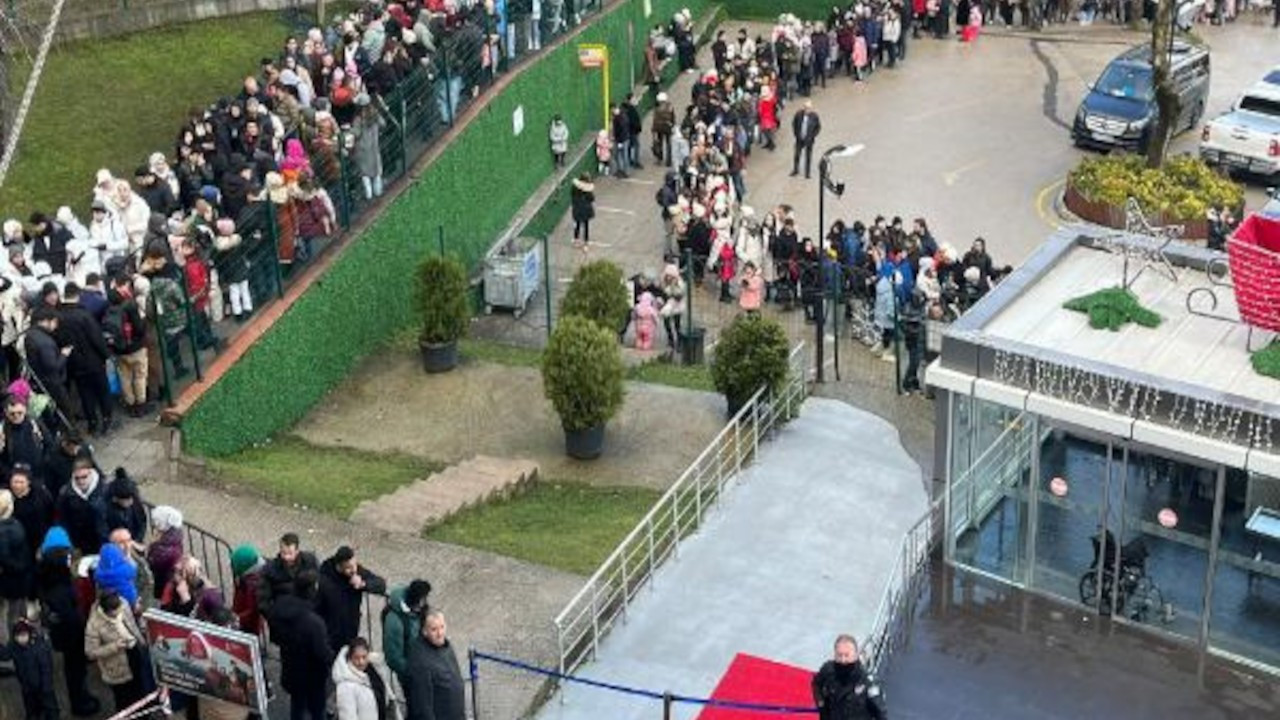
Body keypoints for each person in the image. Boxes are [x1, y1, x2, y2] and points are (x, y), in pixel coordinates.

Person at [268, 571, 333, 720]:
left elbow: (275, 636)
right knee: (318, 710)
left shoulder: (279, 607)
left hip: (290, 667)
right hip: (313, 675)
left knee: (297, 705)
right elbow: (322, 653)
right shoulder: (313, 623)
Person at [58, 283, 115, 435]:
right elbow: (96, 338)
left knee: (85, 394)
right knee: (102, 391)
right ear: (78, 296)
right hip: (93, 362)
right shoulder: (84, 315)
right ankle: (106, 419)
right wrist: (106, 355)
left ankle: (92, 423)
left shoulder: (59, 317)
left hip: (74, 364)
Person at [84, 590, 151, 712]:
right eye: (116, 613)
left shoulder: (123, 603)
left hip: (134, 654)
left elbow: (132, 625)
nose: (121, 612)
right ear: (107, 612)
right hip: (117, 669)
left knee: (140, 690)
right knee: (123, 700)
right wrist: (114, 647)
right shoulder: (94, 625)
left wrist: (142, 641)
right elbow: (90, 653)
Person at [316, 545, 387, 653]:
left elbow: (380, 584)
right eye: (349, 567)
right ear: (339, 566)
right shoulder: (324, 578)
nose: (354, 569)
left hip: (350, 628)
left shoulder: (356, 572)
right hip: (330, 631)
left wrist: (364, 584)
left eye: (355, 564)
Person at [404, 610, 465, 720]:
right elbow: (423, 705)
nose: (440, 633)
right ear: (424, 631)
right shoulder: (420, 661)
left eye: (442, 627)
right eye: (434, 629)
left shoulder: (447, 647)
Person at [811, 635, 887, 720]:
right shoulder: (828, 670)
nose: (843, 660)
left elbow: (881, 713)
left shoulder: (867, 681)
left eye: (847, 655)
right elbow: (816, 684)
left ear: (855, 655)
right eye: (839, 655)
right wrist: (821, 703)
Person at [23, 307, 74, 425]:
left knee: (53, 412)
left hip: (42, 381)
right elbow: (53, 366)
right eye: (55, 322)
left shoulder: (30, 335)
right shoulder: (44, 342)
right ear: (45, 321)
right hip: (53, 382)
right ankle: (72, 437)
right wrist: (63, 355)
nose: (56, 326)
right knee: (65, 412)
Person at [0, 618, 59, 720]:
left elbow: (46, 669)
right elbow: (5, 655)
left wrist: (47, 687)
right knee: (31, 709)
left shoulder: (39, 647)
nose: (21, 639)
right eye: (18, 636)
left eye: (23, 635)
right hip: (27, 686)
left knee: (50, 709)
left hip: (42, 687)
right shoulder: (14, 647)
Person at [383, 579, 432, 691]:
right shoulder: (394, 621)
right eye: (423, 599)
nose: (425, 602)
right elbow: (394, 657)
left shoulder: (419, 610)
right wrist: (413, 672)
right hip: (411, 674)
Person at [55, 457, 108, 556]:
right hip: (80, 543)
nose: (80, 481)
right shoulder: (66, 494)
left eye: (84, 477)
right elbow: (61, 519)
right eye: (77, 478)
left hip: (102, 540)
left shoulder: (105, 489)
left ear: (91, 473)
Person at [259, 532, 319, 615]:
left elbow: (319, 578)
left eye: (290, 553)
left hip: (307, 611)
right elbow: (263, 599)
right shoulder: (270, 570)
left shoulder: (309, 562)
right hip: (283, 614)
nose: (287, 557)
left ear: (297, 551)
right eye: (283, 553)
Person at [0, 490, 32, 643]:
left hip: (17, 576)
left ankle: (24, 631)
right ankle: (17, 640)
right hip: (13, 577)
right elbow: (4, 557)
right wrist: (20, 567)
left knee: (19, 608)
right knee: (14, 611)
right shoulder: (4, 529)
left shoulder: (10, 523)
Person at [333, 637, 392, 720]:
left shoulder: (375, 672)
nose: (361, 662)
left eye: (364, 657)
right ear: (350, 658)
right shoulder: (345, 685)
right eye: (356, 658)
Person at [145, 505, 185, 598]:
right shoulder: (174, 537)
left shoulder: (165, 549)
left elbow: (152, 563)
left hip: (162, 580)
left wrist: (152, 545)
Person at [230, 545, 266, 637]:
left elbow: (252, 610)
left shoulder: (253, 585)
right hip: (242, 614)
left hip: (249, 625)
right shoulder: (250, 577)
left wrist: (237, 618)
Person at [104, 470, 147, 542]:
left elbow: (142, 522)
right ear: (115, 499)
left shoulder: (135, 502)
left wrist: (137, 540)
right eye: (126, 501)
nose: (131, 502)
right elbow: (105, 530)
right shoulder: (106, 508)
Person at [790, 101, 822, 179]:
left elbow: (818, 127)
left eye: (809, 108)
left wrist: (813, 136)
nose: (807, 110)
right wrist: (796, 134)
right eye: (806, 108)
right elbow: (794, 124)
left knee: (808, 157)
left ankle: (807, 173)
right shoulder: (798, 114)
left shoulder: (815, 116)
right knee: (797, 155)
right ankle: (795, 170)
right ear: (803, 107)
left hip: (809, 140)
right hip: (799, 139)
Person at [570, 174, 595, 249]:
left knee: (577, 225)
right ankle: (585, 242)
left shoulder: (574, 189)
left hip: (577, 209)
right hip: (585, 210)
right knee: (586, 226)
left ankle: (576, 240)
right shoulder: (587, 192)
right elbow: (592, 199)